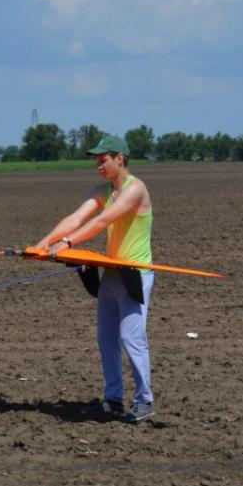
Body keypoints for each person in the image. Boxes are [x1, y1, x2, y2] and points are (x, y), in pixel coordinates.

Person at [33, 134, 155, 423]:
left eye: (102, 161)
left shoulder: (135, 189)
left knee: (131, 337)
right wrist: (41, 245)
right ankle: (113, 399)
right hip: (112, 272)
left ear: (119, 159)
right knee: (106, 339)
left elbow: (103, 221)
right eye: (96, 162)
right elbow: (76, 218)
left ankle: (144, 401)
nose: (98, 166)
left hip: (135, 274)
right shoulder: (104, 190)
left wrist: (68, 244)